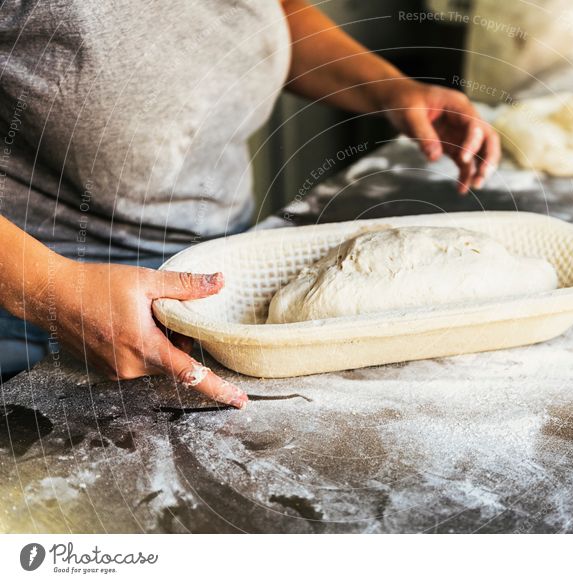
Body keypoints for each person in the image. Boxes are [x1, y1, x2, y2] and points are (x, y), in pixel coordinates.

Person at [0, 1, 500, 409]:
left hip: (222, 266)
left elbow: (265, 13)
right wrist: (49, 289)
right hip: (39, 297)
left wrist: (391, 89)